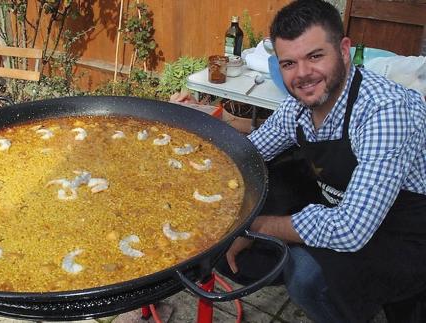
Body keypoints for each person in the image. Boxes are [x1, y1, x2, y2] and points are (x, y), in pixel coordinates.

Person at [172, 0, 426, 322]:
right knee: (257, 199)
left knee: (306, 277)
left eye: (315, 56)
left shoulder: (385, 111)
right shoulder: (298, 109)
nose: (303, 74)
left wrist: (252, 226)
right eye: (289, 63)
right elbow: (245, 156)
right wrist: (183, 164)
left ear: (344, 50)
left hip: (404, 230)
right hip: (342, 203)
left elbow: (350, 229)